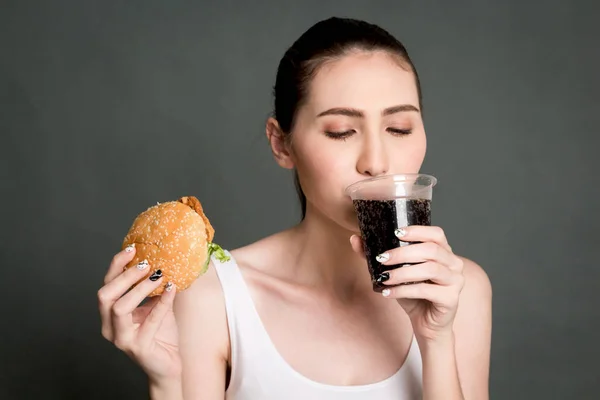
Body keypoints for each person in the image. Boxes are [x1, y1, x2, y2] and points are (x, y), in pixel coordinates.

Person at [98, 17, 492, 400]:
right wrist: (168, 383)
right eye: (341, 132)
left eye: (399, 128)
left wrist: (436, 341)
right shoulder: (212, 297)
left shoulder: (462, 291)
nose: (377, 162)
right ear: (281, 144)